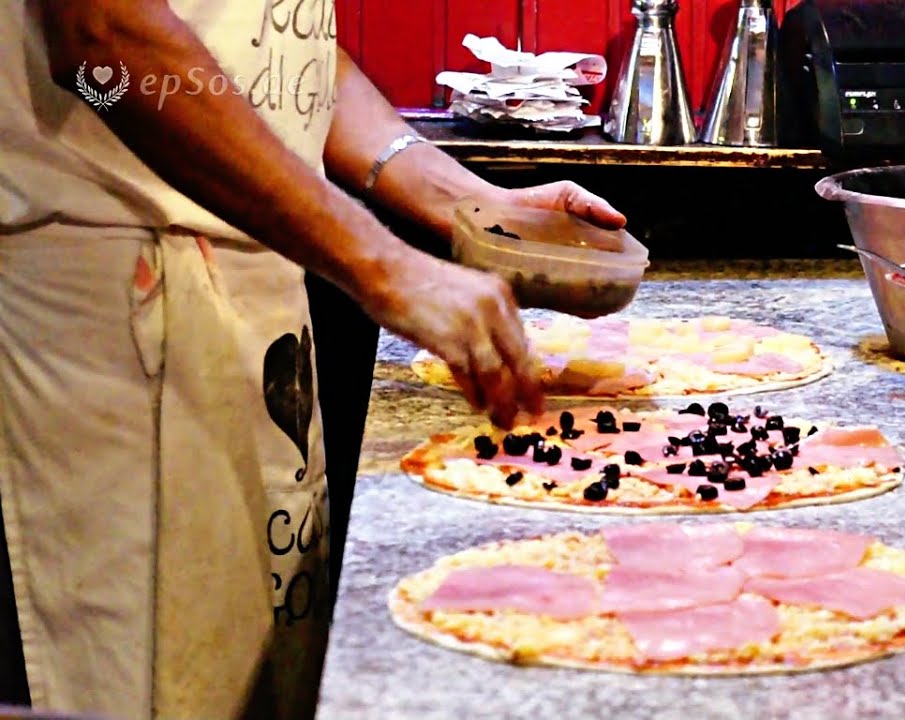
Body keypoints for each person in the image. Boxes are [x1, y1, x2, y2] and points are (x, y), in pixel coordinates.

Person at [0, 2, 626, 719]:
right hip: (114, 316)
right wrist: (384, 265)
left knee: (258, 676)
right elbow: (100, 47)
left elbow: (274, 46)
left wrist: (473, 204)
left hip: (257, 293)